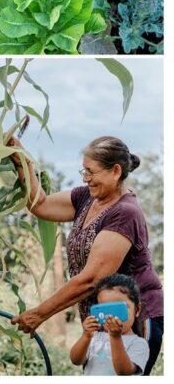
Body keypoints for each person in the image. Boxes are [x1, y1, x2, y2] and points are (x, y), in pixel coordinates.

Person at [9, 136, 163, 374]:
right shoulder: (86, 198)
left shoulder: (125, 212)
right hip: (103, 321)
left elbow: (92, 279)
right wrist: (21, 159)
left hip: (135, 321)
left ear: (115, 171)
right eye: (84, 170)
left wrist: (39, 314)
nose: (85, 178)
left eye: (91, 172)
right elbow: (39, 204)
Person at [71, 274, 151, 375]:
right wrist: (86, 336)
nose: (111, 316)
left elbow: (124, 372)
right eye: (105, 309)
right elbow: (76, 360)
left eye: (118, 309)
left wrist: (115, 337)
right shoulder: (95, 338)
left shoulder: (138, 344)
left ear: (137, 310)